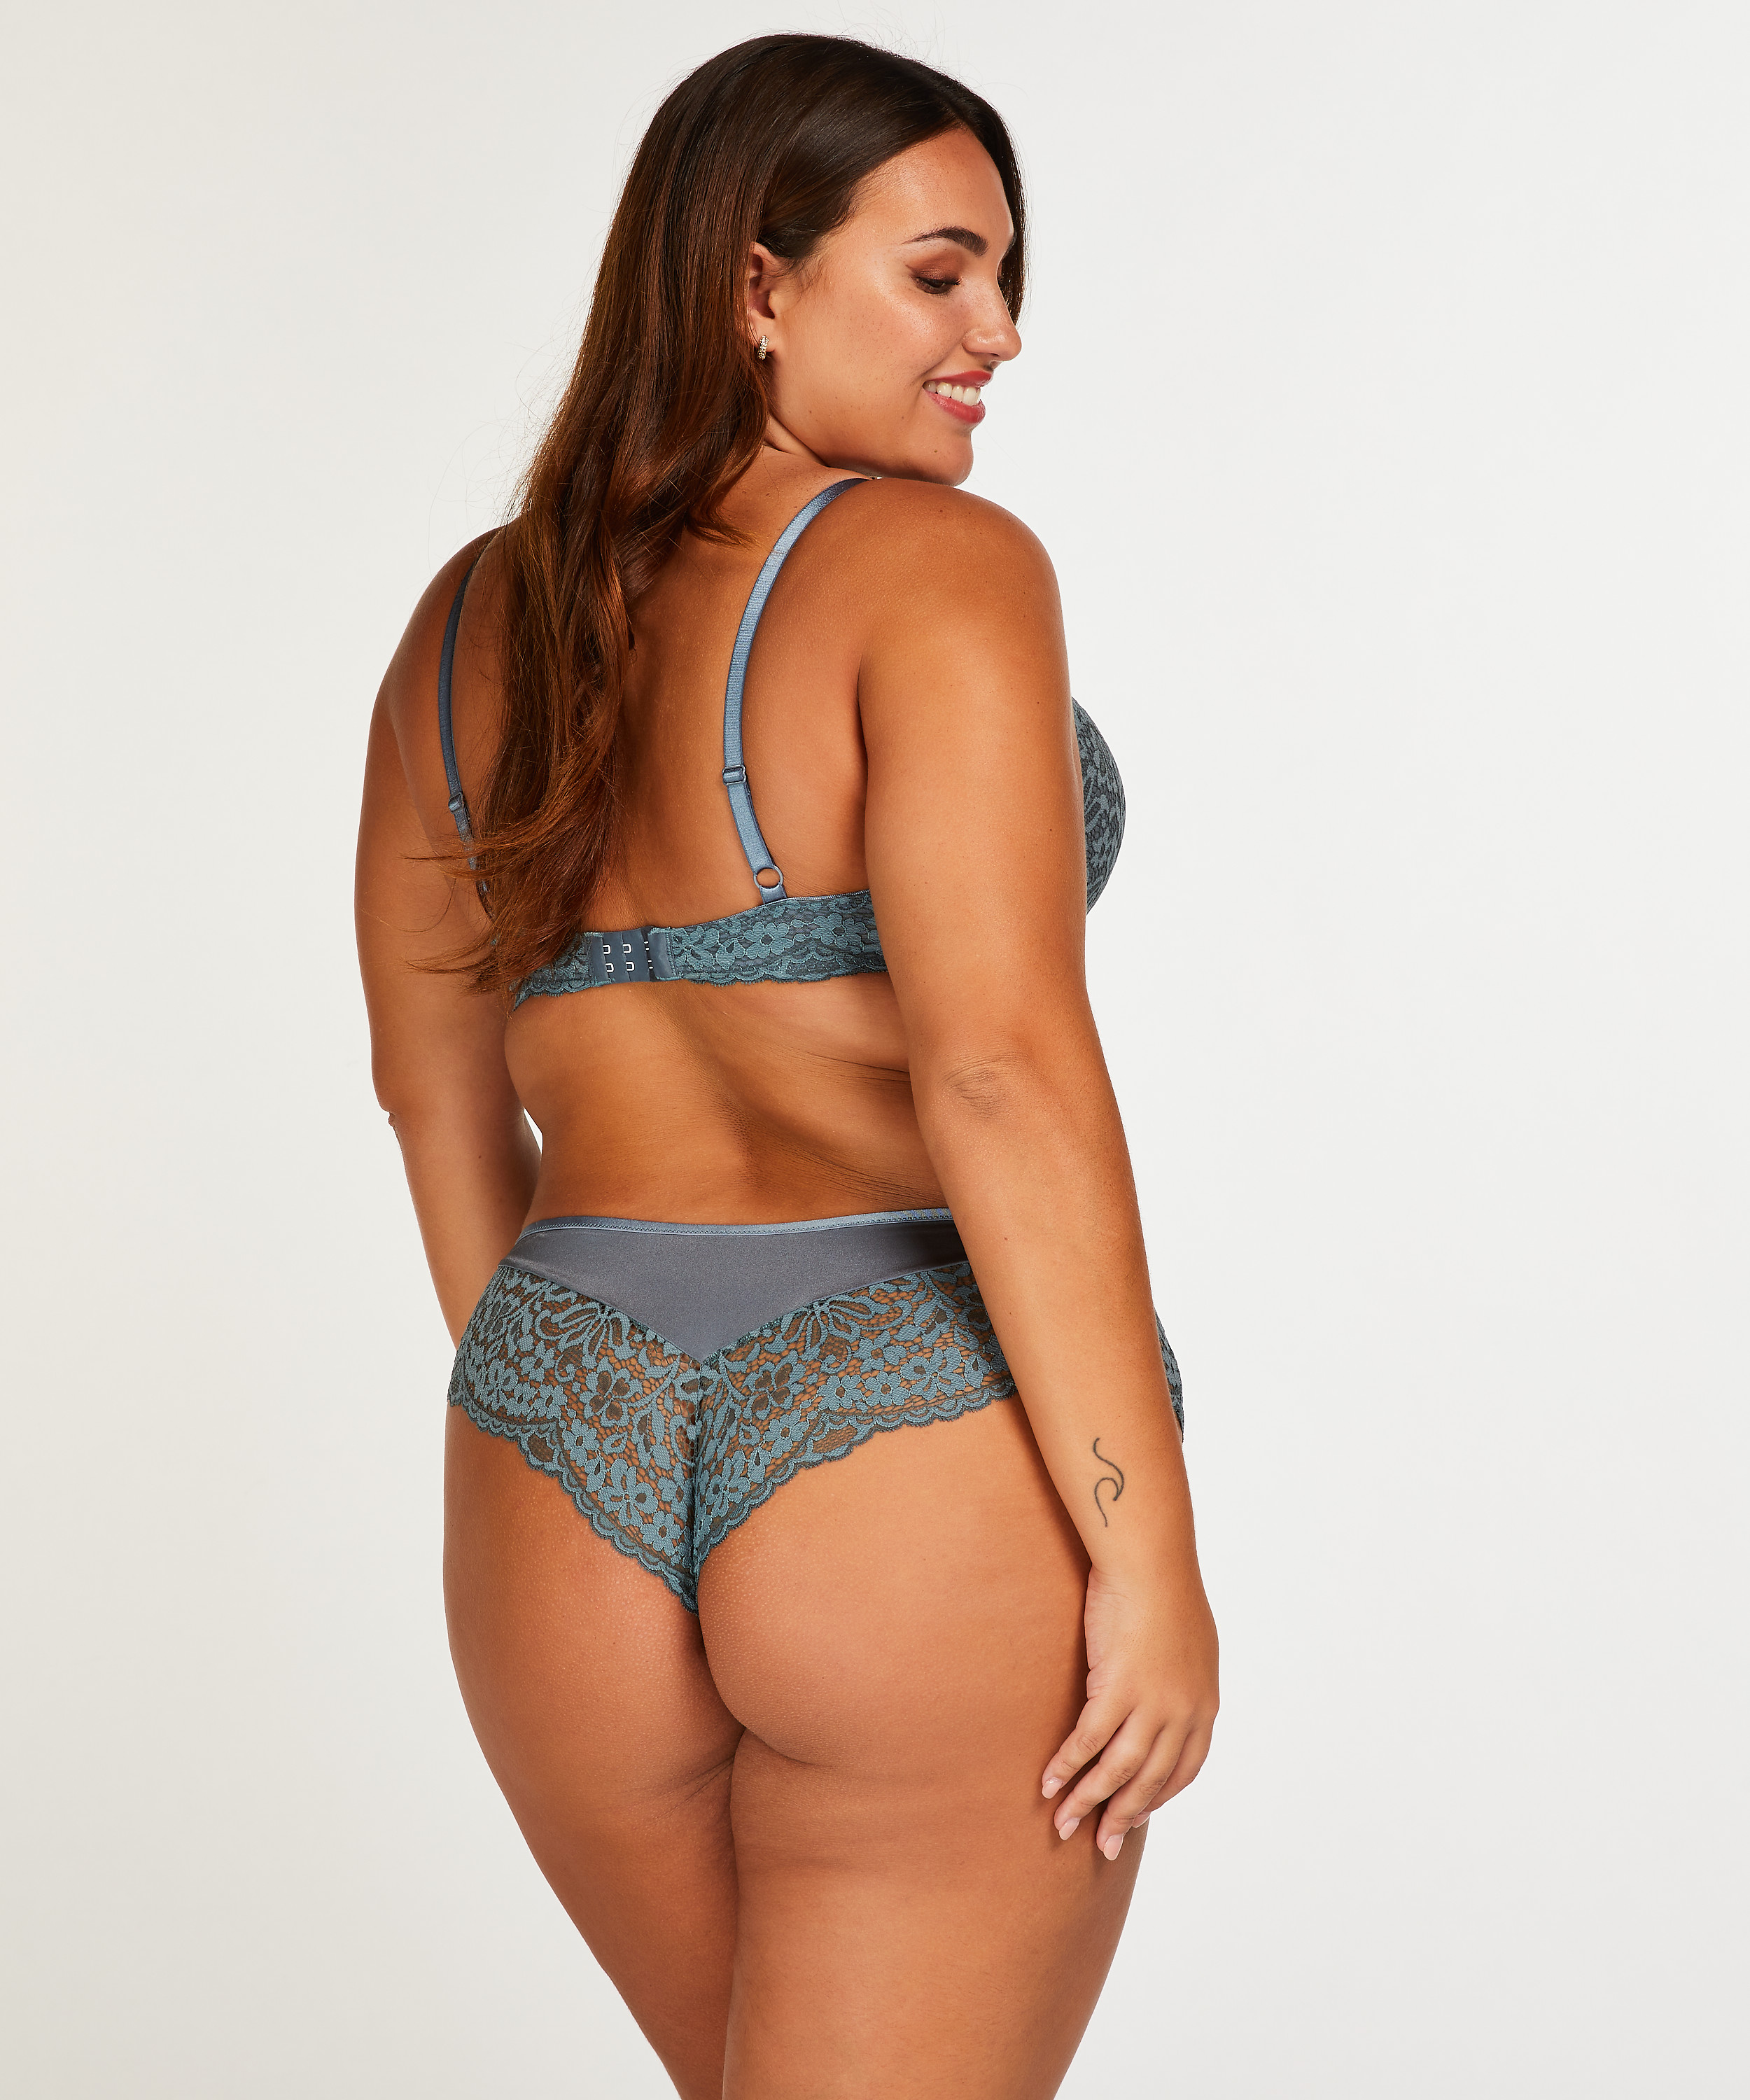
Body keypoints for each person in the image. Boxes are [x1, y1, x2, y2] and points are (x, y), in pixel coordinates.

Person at [356, 33, 1218, 2099]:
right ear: (757, 283)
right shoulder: (939, 571)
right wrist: (1147, 1547)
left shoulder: (469, 627)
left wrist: (577, 1403)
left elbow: (431, 1090)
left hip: (550, 1451)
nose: (997, 333)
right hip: (898, 1443)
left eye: (1002, 278)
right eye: (938, 275)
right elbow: (997, 1075)